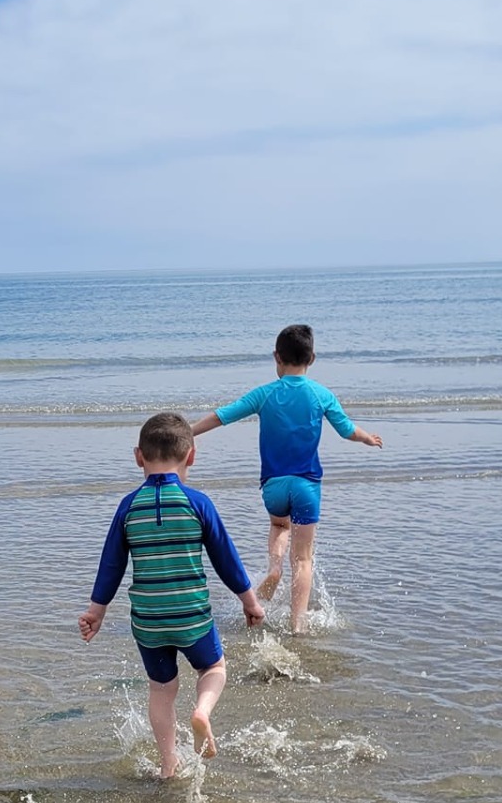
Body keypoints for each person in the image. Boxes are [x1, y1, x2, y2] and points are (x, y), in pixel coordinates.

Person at [79, 412, 265, 775]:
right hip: (191, 617)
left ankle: (168, 764)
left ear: (139, 457)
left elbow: (111, 564)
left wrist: (96, 612)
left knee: (161, 690)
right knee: (213, 668)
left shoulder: (128, 507)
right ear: (191, 455)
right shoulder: (197, 503)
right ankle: (202, 712)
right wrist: (251, 602)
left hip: (148, 621)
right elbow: (226, 560)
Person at [188, 323, 383, 634]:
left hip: (274, 486)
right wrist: (367, 438)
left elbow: (223, 416)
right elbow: (347, 430)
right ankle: (298, 625)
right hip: (307, 486)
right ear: (312, 359)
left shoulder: (265, 393)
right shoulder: (321, 394)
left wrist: (187, 432)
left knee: (280, 526)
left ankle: (274, 568)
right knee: (303, 560)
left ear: (276, 357)